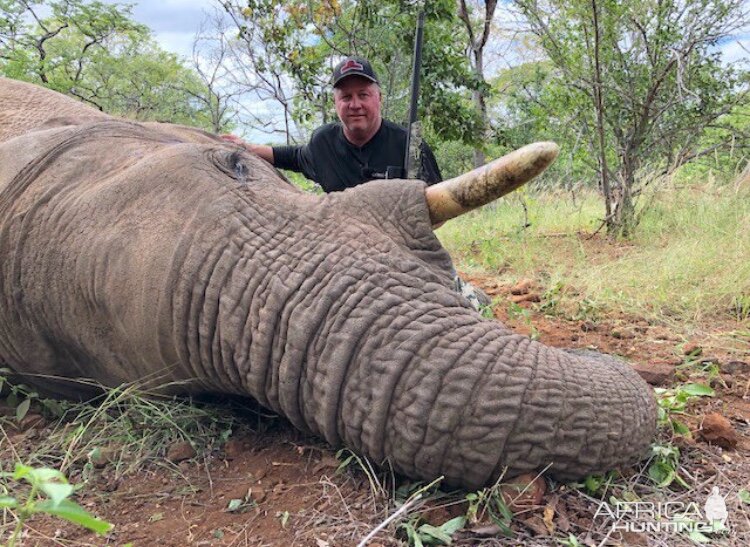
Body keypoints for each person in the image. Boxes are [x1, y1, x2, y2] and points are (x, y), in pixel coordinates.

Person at [222, 56, 442, 192]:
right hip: (341, 250)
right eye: (346, 97)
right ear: (335, 103)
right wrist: (248, 148)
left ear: (379, 98)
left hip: (400, 245)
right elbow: (294, 157)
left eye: (363, 95)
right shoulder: (323, 143)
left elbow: (439, 204)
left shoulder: (409, 145)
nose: (355, 104)